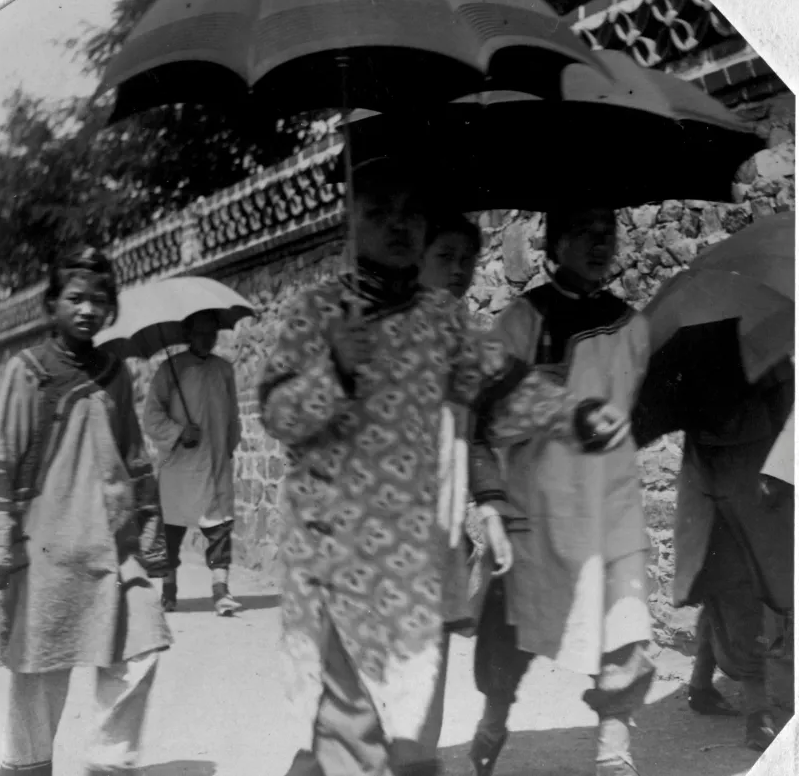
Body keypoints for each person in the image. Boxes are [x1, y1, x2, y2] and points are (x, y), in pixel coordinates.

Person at [259, 161, 629, 776]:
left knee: (413, 717)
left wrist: (575, 417)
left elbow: (504, 390)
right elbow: (278, 414)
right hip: (334, 551)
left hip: (416, 553)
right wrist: (335, 371)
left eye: (410, 213)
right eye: (379, 212)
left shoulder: (443, 319)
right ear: (351, 221)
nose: (397, 225)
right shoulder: (316, 312)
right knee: (349, 721)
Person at [0, 245, 172, 776]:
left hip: (113, 551)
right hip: (47, 555)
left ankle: (108, 762)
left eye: (98, 300)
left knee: (140, 646)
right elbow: (3, 456)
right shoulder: (27, 371)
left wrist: (149, 538)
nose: (87, 309)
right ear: (51, 305)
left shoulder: (115, 374)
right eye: (75, 298)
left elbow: (134, 457)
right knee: (39, 675)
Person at [469, 207, 655, 776]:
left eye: (607, 234)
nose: (600, 244)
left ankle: (614, 752)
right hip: (541, 507)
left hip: (610, 504)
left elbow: (633, 409)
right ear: (556, 243)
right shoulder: (524, 321)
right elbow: (486, 416)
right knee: (511, 636)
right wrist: (549, 397)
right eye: (585, 233)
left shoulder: (631, 325)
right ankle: (494, 720)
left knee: (623, 626)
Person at [415, 211, 513, 758]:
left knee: (428, 668)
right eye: (444, 257)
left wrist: (491, 506)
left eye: (467, 260)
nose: (458, 270)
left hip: (440, 533)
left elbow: (475, 436)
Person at [671, 356, 794, 751]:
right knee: (738, 592)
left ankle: (700, 685)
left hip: (752, 490)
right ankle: (758, 714)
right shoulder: (717, 366)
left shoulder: (773, 362)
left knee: (726, 591)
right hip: (728, 496)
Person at [143, 310, 243, 616]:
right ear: (188, 335)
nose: (207, 339)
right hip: (180, 465)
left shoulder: (223, 370)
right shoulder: (170, 370)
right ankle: (169, 590)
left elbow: (233, 415)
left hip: (214, 461)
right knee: (172, 531)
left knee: (220, 528)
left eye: (212, 333)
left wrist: (228, 447)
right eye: (200, 333)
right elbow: (152, 417)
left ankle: (221, 592)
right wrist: (178, 432)